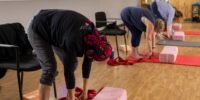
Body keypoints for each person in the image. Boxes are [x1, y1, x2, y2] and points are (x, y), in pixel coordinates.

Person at [28, 9, 112, 100]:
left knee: (73, 63)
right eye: (92, 56)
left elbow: (87, 64)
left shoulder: (94, 38)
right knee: (50, 69)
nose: (91, 58)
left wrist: (85, 92)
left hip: (58, 31)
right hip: (38, 28)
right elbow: (69, 72)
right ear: (92, 49)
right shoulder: (73, 42)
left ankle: (70, 95)